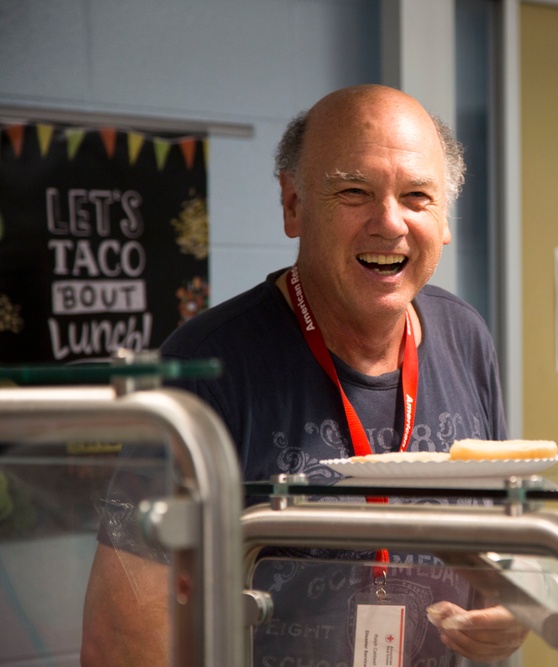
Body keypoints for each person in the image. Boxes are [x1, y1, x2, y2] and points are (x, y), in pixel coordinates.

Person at [81, 84, 526, 666]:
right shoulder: (208, 365)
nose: (389, 223)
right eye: (354, 192)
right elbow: (123, 634)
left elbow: (503, 543)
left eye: (417, 197)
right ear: (293, 205)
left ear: (445, 220)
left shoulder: (466, 337)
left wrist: (515, 605)